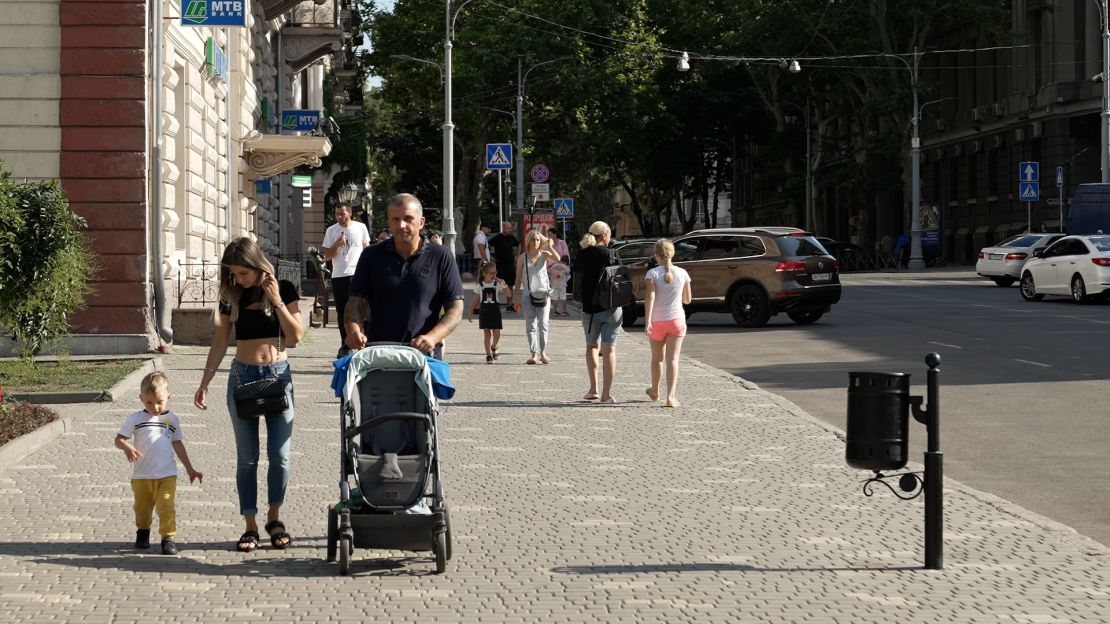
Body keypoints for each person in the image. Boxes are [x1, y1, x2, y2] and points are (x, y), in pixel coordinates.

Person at [193, 237, 304, 553]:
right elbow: (219, 341)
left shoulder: (284, 286)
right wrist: (205, 381)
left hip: (278, 378)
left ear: (256, 265)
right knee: (247, 458)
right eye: (233, 274)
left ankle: (274, 517)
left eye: (242, 273)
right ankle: (250, 525)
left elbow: (294, 336)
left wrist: (276, 300)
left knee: (280, 457)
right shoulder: (232, 297)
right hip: (242, 376)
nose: (238, 280)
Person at [344, 193, 464, 355]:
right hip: (379, 353)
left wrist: (433, 337)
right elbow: (355, 303)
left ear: (421, 222)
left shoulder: (441, 256)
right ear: (389, 223)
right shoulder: (371, 256)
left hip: (425, 353)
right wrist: (353, 330)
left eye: (408, 218)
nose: (401, 225)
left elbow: (455, 308)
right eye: (395, 219)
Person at [116, 371, 203, 555]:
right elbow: (119, 439)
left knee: (166, 505)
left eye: (160, 402)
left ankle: (168, 538)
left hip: (167, 473)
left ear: (168, 397)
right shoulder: (135, 419)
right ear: (141, 398)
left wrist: (190, 468)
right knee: (142, 508)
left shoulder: (171, 419)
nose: (155, 407)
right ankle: (143, 532)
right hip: (142, 475)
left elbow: (177, 444)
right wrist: (127, 447)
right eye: (149, 402)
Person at [643, 239, 692, 408]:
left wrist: (647, 321)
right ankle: (671, 397)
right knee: (673, 359)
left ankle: (655, 390)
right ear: (673, 254)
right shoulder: (683, 273)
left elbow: (650, 298)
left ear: (656, 255)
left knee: (657, 359)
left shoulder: (652, 274)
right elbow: (687, 300)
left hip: (657, 321)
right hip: (677, 320)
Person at [577, 221, 622, 403]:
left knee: (591, 347)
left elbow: (577, 277)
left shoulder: (582, 254)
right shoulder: (612, 254)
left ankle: (593, 389)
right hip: (611, 308)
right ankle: (606, 394)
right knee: (609, 351)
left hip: (589, 309)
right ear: (605, 235)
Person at [322, 203, 371, 358]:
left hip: (358, 274)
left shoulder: (360, 227)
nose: (339, 217)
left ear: (350, 213)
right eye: (337, 214)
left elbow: (367, 249)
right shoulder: (332, 230)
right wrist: (337, 244)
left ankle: (366, 342)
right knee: (342, 311)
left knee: (363, 310)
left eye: (342, 213)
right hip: (339, 276)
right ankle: (346, 344)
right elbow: (326, 256)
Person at [513, 230, 559, 364]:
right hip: (527, 294)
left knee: (543, 324)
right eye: (533, 239)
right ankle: (533, 354)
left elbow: (558, 258)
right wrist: (516, 297)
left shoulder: (544, 255)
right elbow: (517, 279)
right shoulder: (522, 257)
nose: (536, 242)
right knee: (530, 325)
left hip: (544, 294)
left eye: (538, 240)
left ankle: (543, 352)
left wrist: (549, 246)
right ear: (528, 241)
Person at [467, 261, 511, 363]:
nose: (494, 275)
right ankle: (488, 355)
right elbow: (475, 300)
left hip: (495, 312)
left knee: (497, 334)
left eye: (495, 272)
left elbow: (508, 295)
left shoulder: (497, 284)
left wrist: (504, 284)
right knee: (487, 334)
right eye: (491, 273)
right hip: (485, 312)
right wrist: (470, 311)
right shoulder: (480, 286)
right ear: (485, 274)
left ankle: (494, 347)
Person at [487, 221, 520, 311]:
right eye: (508, 228)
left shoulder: (512, 238)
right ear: (503, 228)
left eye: (511, 228)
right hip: (500, 266)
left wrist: (517, 255)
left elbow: (518, 245)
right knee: (498, 285)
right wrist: (490, 257)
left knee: (510, 285)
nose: (510, 230)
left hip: (510, 266)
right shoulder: (497, 238)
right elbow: (487, 245)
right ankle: (494, 303)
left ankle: (509, 305)